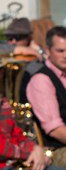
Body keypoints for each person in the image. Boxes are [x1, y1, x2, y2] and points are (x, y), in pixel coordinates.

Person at [26, 26, 66, 157]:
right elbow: (55, 130)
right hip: (56, 151)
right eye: (60, 51)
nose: (65, 55)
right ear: (48, 51)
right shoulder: (42, 80)